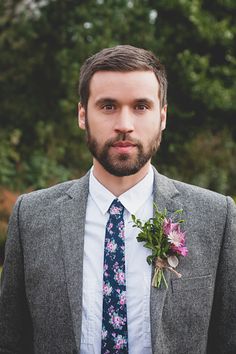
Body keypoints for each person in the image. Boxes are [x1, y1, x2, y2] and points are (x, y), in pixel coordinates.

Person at [0, 45, 235, 354]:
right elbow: (10, 341)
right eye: (108, 106)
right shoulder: (30, 216)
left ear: (162, 116)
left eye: (141, 106)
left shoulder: (216, 216)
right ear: (83, 114)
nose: (125, 124)